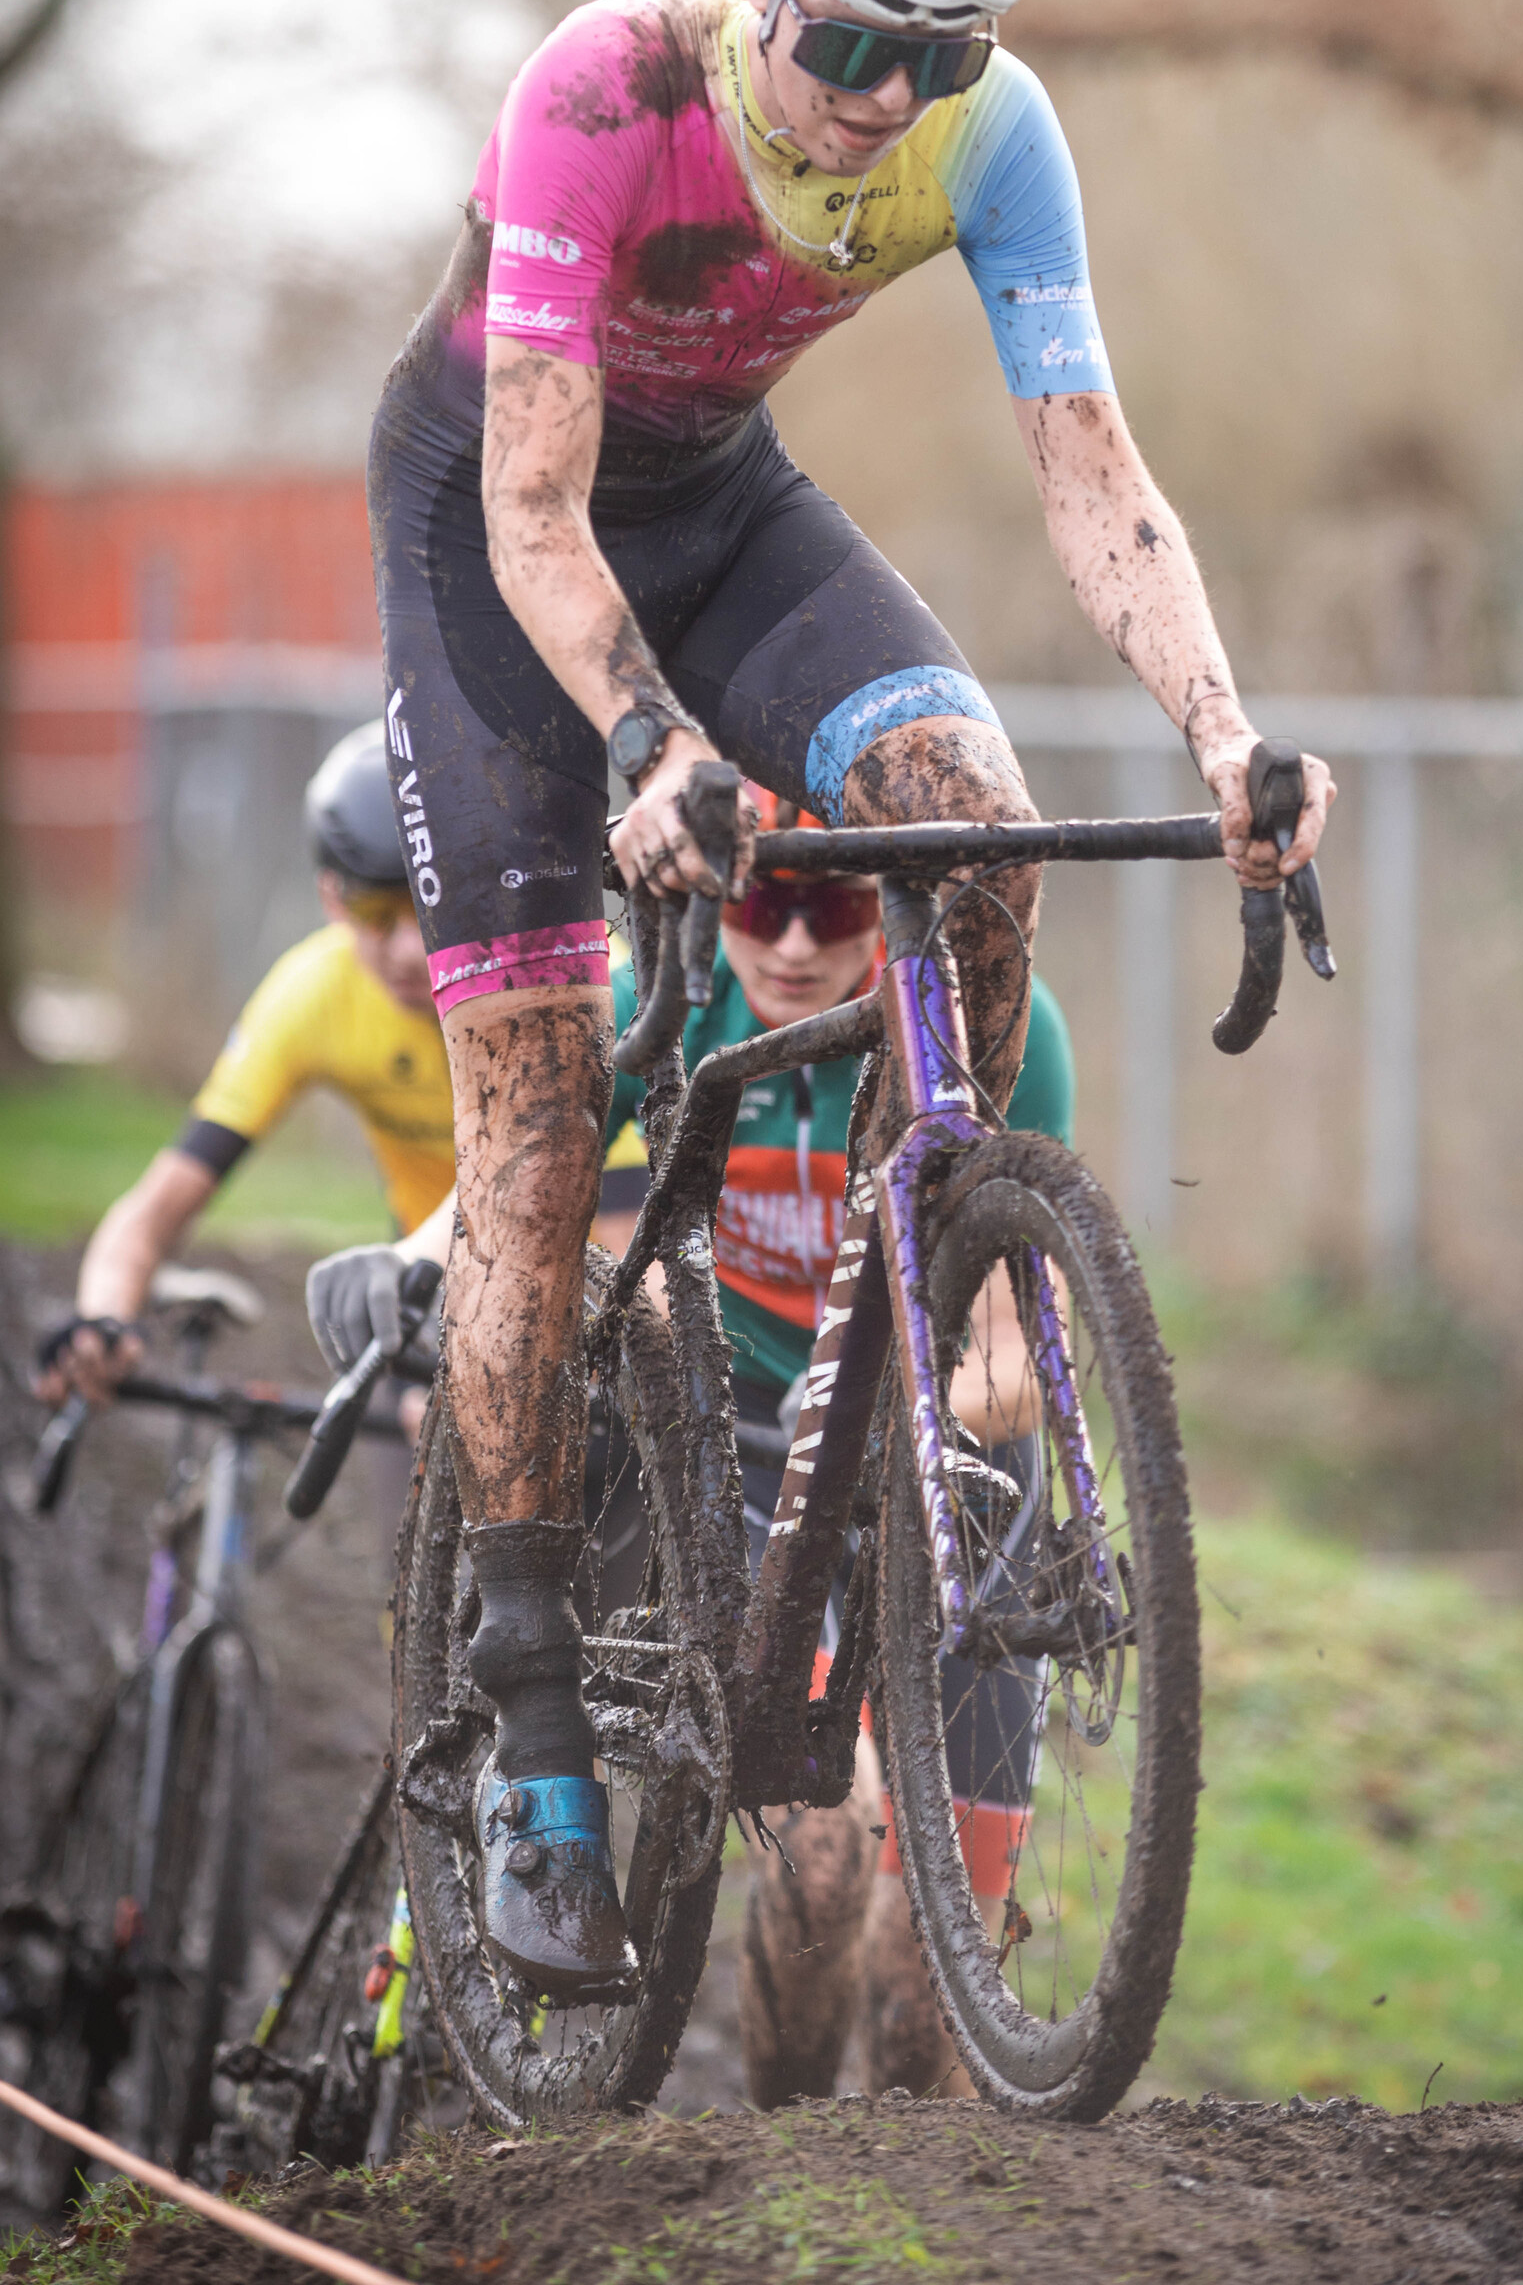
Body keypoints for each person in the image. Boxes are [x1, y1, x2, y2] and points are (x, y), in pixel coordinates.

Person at [367, 0, 1335, 2002]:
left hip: (720, 510)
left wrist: (1227, 729)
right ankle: (532, 1745)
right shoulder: (597, 101)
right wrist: (644, 736)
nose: (883, 96)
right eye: (846, 36)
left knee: (967, 810)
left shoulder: (992, 144)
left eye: (941, 45)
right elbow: (525, 511)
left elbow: (1090, 472)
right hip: (493, 550)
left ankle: (917, 1324)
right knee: (523, 1146)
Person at [593, 793, 1071, 2099]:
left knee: (938, 1993)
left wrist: (971, 1387)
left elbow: (1024, 1332)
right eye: (763, 900)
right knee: (816, 1846)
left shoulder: (989, 1015)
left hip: (945, 1476)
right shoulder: (661, 1006)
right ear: (713, 896)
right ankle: (785, 2167)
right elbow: (566, 1238)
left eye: (836, 901)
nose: (794, 943)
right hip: (751, 1453)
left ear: (889, 903)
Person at [37, 724, 458, 1407]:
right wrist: (103, 1318)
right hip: (425, 1282)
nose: (408, 949)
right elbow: (154, 1208)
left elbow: (617, 1228)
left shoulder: (545, 985)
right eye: (376, 912)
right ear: (330, 899)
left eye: (431, 905)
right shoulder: (313, 993)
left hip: (599, 1273)